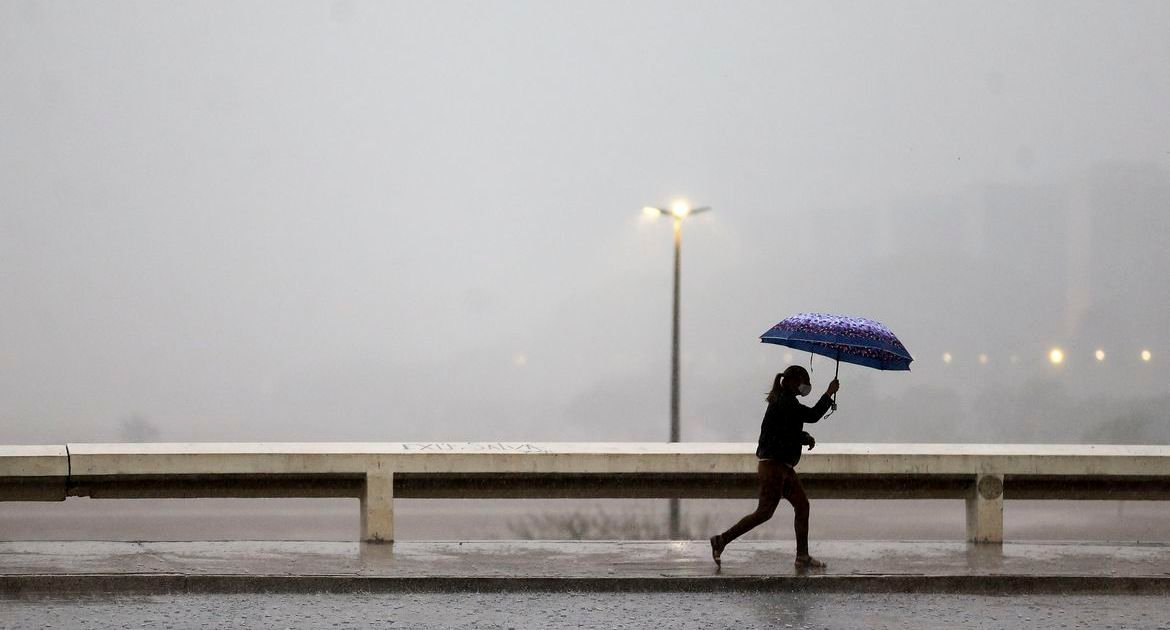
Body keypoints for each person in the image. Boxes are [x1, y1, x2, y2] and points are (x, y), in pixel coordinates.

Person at [709, 365, 839, 569]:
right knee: (765, 512)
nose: (805, 386)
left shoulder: (786, 402)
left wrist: (803, 437)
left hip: (783, 467)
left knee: (802, 505)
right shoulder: (785, 402)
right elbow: (811, 416)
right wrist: (829, 394)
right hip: (774, 467)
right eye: (803, 381)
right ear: (791, 382)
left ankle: (802, 556)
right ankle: (722, 540)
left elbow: (789, 431)